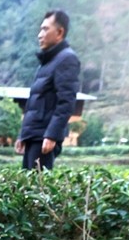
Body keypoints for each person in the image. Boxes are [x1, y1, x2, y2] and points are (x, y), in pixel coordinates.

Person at [15, 9, 81, 171]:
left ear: (59, 32)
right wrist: (23, 135)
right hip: (34, 135)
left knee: (37, 190)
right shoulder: (47, 62)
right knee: (26, 188)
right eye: (40, 29)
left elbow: (66, 102)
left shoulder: (67, 59)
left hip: (44, 138)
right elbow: (34, 103)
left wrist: (52, 135)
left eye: (45, 29)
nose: (39, 35)